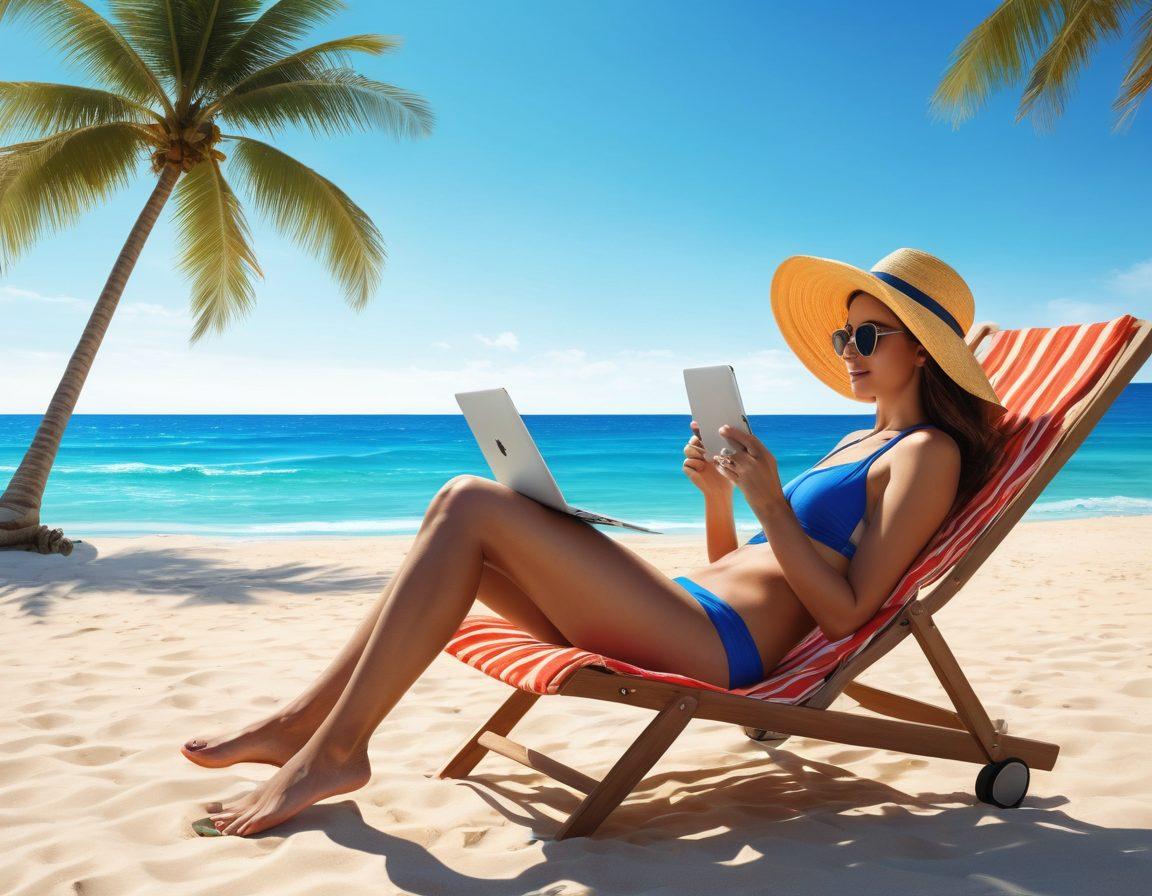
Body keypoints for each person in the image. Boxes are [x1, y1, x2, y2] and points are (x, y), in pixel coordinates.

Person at [185, 246, 1008, 837]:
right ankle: (305, 722)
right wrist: (723, 500)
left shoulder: (927, 454)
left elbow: (846, 613)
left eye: (867, 337)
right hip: (687, 609)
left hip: (717, 647)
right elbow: (745, 563)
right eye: (843, 338)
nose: (848, 352)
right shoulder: (854, 442)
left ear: (921, 352)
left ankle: (334, 747)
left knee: (468, 500)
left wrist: (770, 499)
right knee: (459, 520)